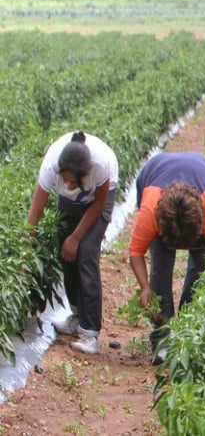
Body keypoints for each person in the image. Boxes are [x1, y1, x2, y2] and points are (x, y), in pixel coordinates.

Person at [128, 152, 205, 364]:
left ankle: (189, 330)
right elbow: (135, 252)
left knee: (201, 266)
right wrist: (145, 287)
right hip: (154, 172)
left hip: (201, 169)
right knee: (161, 267)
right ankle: (162, 340)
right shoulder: (151, 210)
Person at [27, 131, 119, 355]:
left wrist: (76, 237)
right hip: (72, 204)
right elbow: (36, 211)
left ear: (85, 174)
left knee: (86, 252)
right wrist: (26, 247)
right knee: (65, 252)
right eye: (64, 180)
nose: (68, 184)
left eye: (73, 181)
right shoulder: (51, 166)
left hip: (99, 199)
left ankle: (90, 334)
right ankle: (77, 315)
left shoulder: (101, 164)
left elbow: (98, 204)